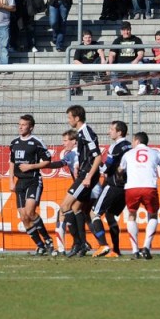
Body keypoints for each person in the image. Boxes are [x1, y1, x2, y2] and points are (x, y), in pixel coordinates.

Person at [119, 132, 160, 259]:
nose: (132, 144)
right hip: (149, 187)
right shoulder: (156, 153)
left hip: (131, 188)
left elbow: (120, 170)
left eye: (133, 141)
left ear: (137, 141)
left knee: (132, 215)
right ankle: (146, 247)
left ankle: (134, 251)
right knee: (153, 215)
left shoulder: (127, 154)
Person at [59, 105, 103, 257]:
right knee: (77, 208)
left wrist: (89, 176)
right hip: (85, 173)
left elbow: (98, 157)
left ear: (77, 118)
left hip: (86, 174)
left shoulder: (86, 132)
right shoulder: (81, 133)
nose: (68, 120)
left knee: (65, 206)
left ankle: (78, 243)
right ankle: (82, 244)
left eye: (69, 117)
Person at [8, 114, 54, 255]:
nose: (20, 127)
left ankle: (47, 239)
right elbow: (12, 162)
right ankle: (40, 245)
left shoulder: (36, 142)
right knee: (23, 217)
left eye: (24, 125)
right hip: (20, 182)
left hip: (33, 180)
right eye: (19, 124)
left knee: (30, 212)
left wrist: (31, 167)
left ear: (31, 127)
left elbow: (47, 161)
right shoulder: (14, 143)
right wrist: (11, 180)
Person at [89, 121, 132, 258]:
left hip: (113, 185)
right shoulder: (130, 146)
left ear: (119, 132)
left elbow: (107, 168)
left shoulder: (115, 147)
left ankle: (103, 245)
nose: (109, 132)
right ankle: (116, 250)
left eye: (112, 129)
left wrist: (96, 162)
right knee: (110, 216)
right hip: (126, 187)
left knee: (94, 213)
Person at [108, 21, 146, 96]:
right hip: (121, 66)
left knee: (141, 64)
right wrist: (109, 66)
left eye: (128, 30)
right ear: (121, 31)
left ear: (130, 30)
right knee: (112, 68)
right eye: (124, 30)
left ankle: (142, 86)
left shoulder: (137, 40)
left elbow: (141, 54)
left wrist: (135, 61)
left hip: (133, 65)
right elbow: (112, 54)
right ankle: (118, 87)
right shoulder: (117, 40)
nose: (126, 32)